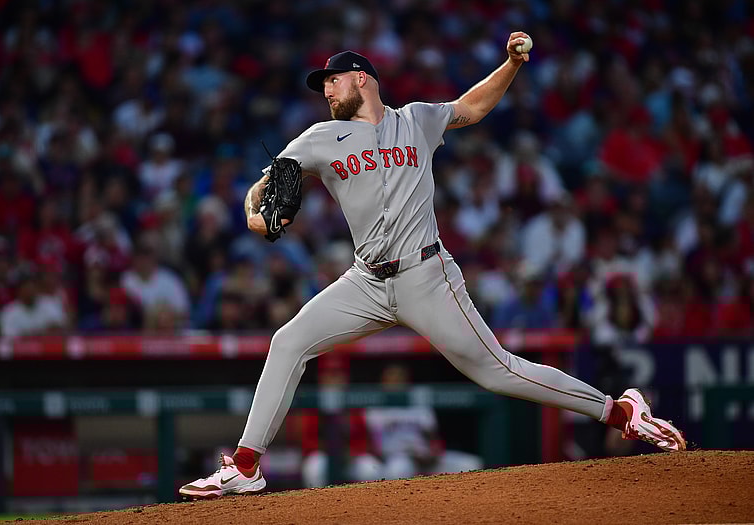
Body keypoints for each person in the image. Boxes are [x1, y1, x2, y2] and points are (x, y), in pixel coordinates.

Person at [179, 36, 686, 499]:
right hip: (365, 281)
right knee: (287, 341)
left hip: (426, 275)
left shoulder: (417, 119)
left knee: (499, 372)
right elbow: (264, 187)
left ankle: (619, 411)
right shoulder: (317, 138)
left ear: (362, 78)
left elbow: (474, 106)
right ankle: (246, 466)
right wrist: (253, 215)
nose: (326, 91)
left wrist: (510, 64)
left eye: (332, 80)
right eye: (323, 85)